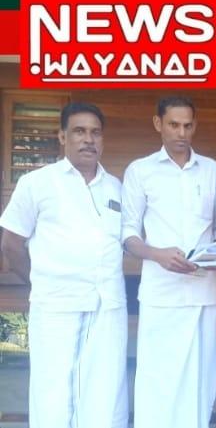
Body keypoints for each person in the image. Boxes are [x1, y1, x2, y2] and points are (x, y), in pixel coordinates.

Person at [0, 102, 128, 428]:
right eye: (79, 131)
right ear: (62, 136)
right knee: (54, 391)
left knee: (104, 391)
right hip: (56, 306)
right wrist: (39, 281)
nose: (89, 139)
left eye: (95, 132)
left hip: (107, 306)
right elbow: (11, 244)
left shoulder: (115, 187)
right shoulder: (37, 183)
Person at [121, 96, 216, 428]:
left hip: (203, 292)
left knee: (201, 378)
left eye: (187, 125)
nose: (181, 133)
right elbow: (128, 234)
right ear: (158, 124)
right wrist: (158, 254)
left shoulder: (212, 170)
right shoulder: (140, 171)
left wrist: (215, 253)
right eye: (174, 125)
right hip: (160, 294)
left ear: (195, 126)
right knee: (158, 379)